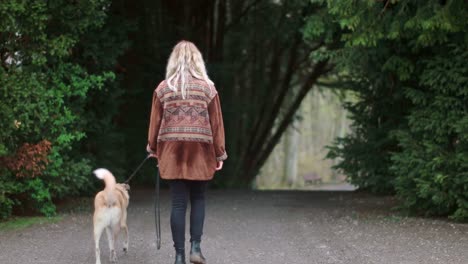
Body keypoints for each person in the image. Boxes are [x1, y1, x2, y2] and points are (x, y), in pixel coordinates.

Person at [146, 40, 227, 264]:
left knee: (178, 203)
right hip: (200, 152)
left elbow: (155, 122)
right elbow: (216, 124)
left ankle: (179, 256)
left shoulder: (163, 89)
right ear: (197, 61)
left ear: (174, 60)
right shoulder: (208, 88)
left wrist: (153, 148)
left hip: (172, 152)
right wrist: (219, 154)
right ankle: (196, 248)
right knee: (199, 198)